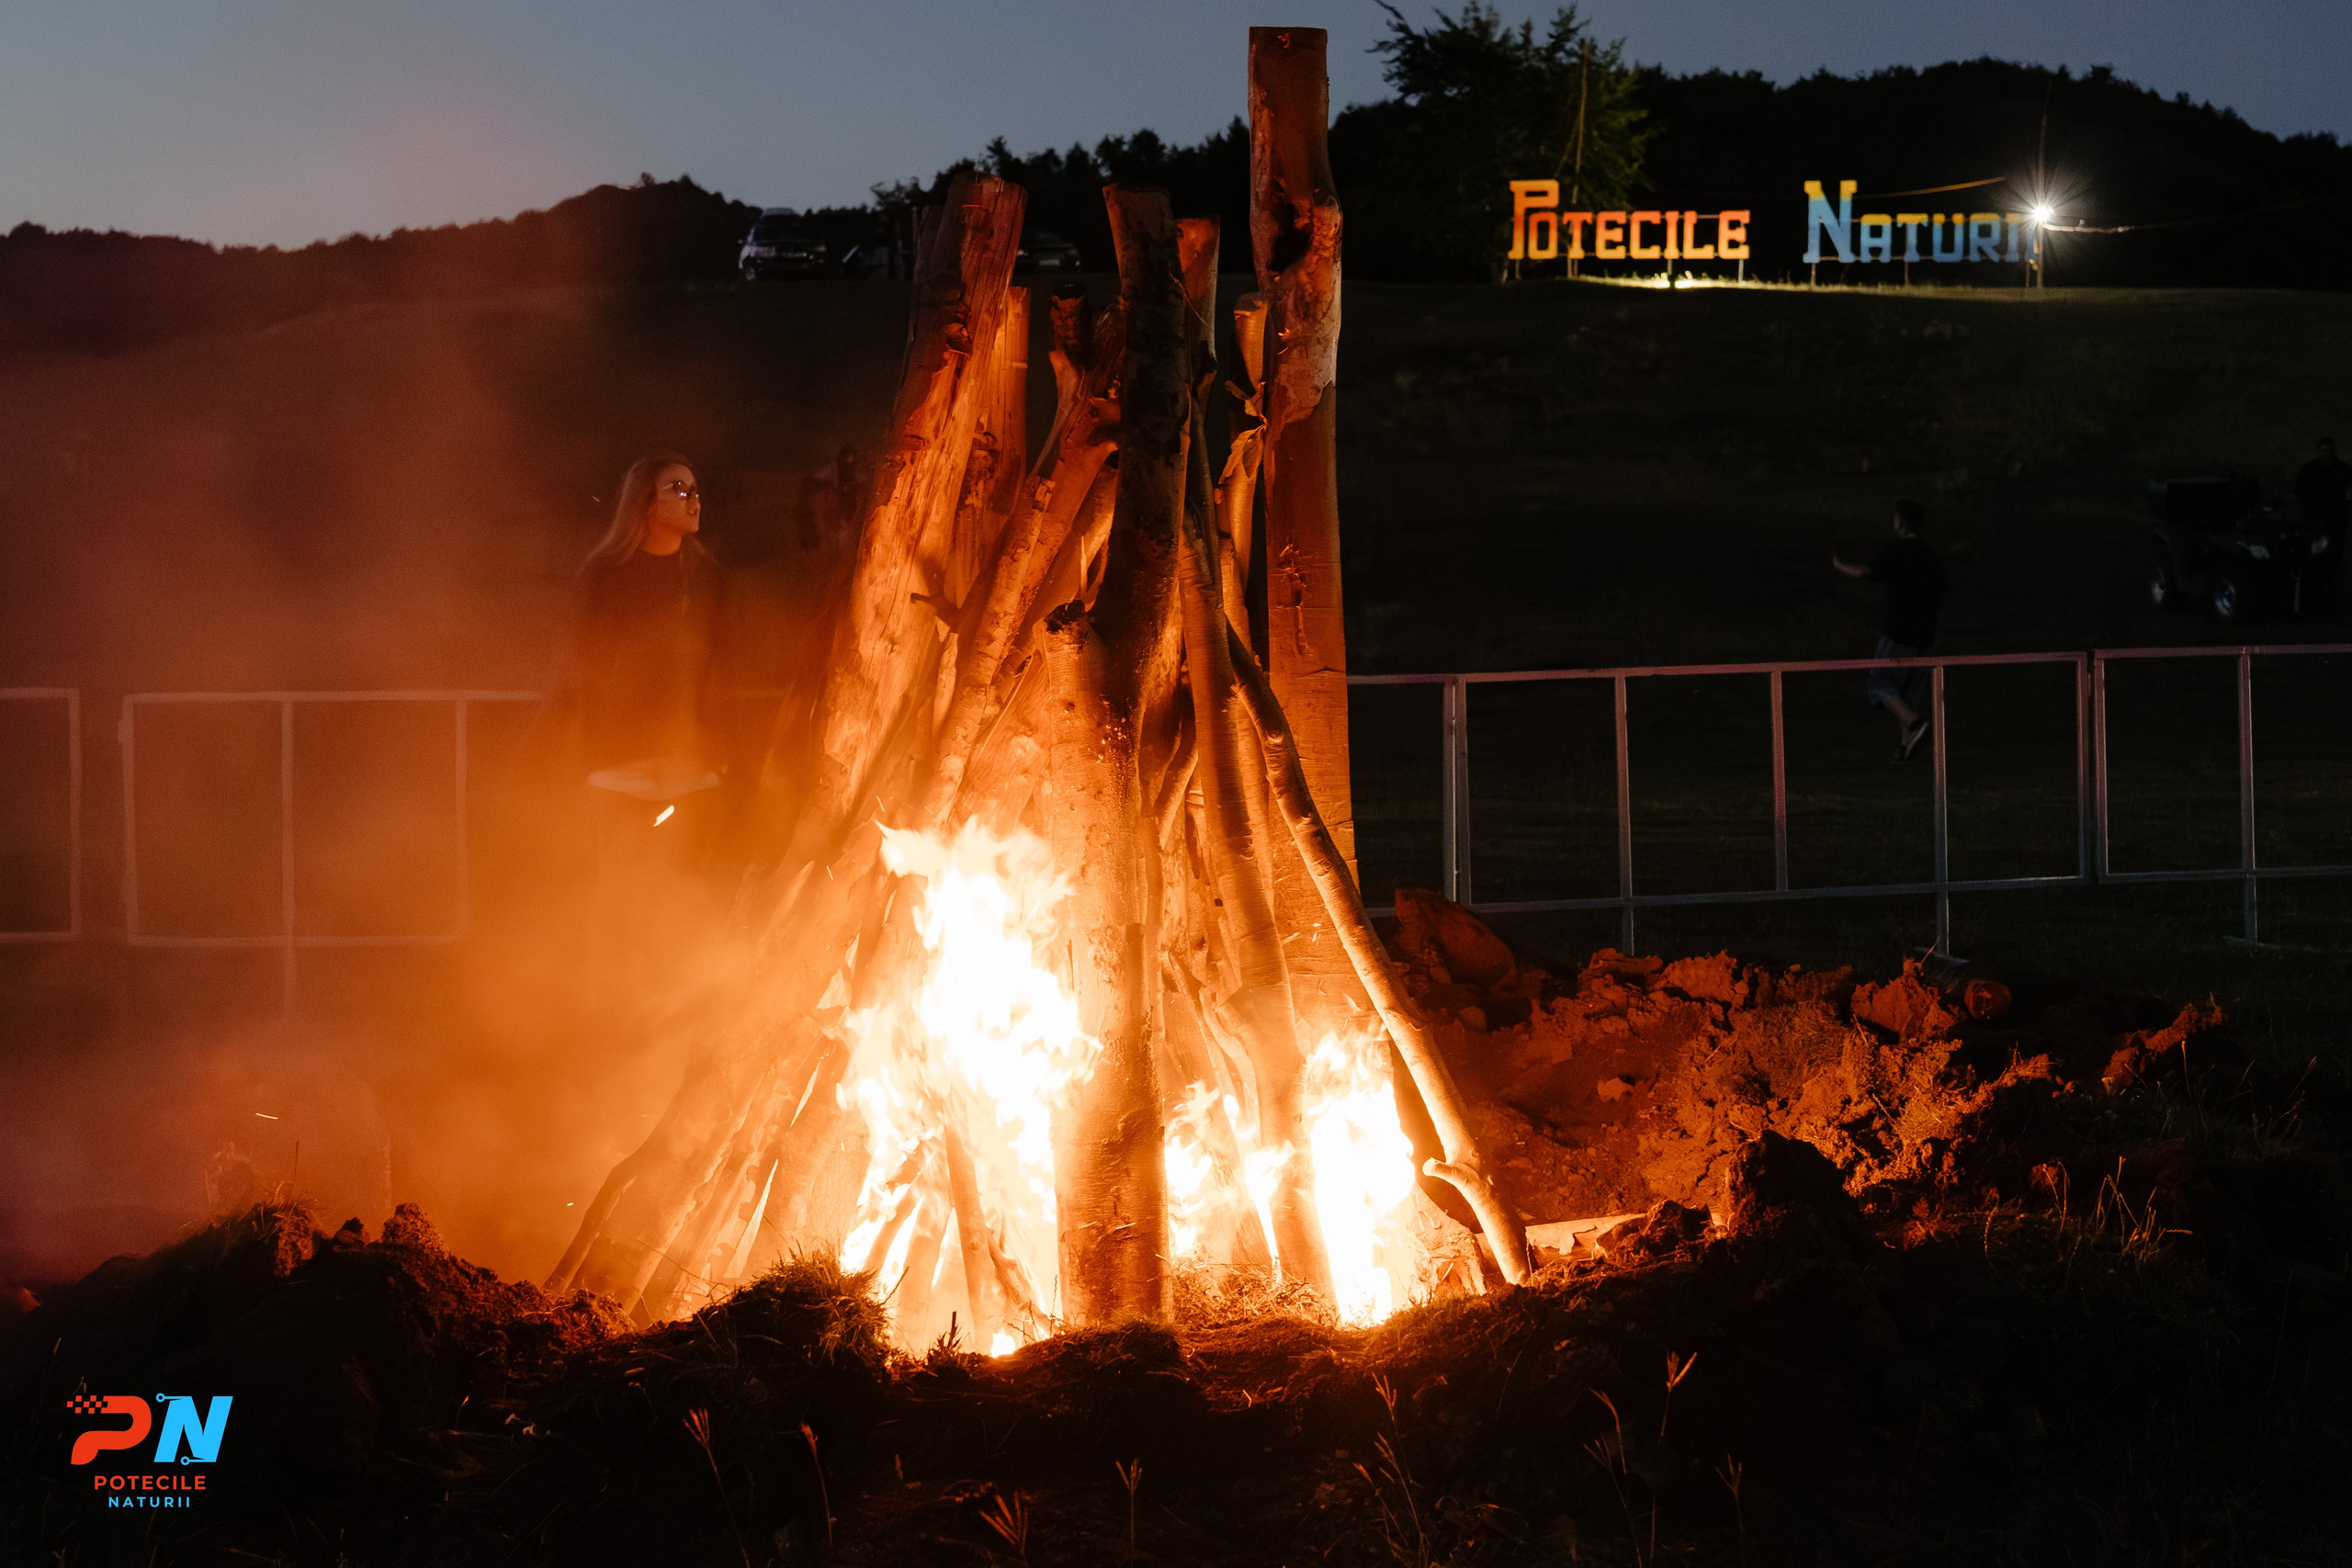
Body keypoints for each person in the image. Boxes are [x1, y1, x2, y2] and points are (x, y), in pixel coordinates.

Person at [544, 454, 734, 1015]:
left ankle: (678, 1016)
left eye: (696, 489)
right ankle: (610, 1016)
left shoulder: (707, 579)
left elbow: (720, 668)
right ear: (646, 504)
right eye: (679, 489)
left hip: (689, 768)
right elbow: (577, 666)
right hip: (620, 768)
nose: (694, 500)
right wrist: (560, 748)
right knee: (618, 897)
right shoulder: (605, 574)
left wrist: (725, 752)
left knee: (685, 897)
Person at [1834, 498, 1945, 761]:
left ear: (1901, 522)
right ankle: (1907, 744)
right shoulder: (1930, 555)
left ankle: (1916, 725)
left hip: (1900, 629)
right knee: (1906, 692)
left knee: (1881, 684)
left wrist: (1838, 565)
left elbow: (1865, 572)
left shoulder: (1899, 550)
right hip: (1926, 632)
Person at [2293, 435, 2349, 549]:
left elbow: (2350, 490)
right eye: (2324, 451)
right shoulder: (2308, 470)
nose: (2327, 455)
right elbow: (2298, 492)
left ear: (2335, 452)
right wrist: (2299, 513)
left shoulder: (2344, 470)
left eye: (2331, 451)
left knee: (2334, 549)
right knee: (2311, 548)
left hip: (2335, 519)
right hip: (2312, 517)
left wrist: (2347, 507)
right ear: (2318, 451)